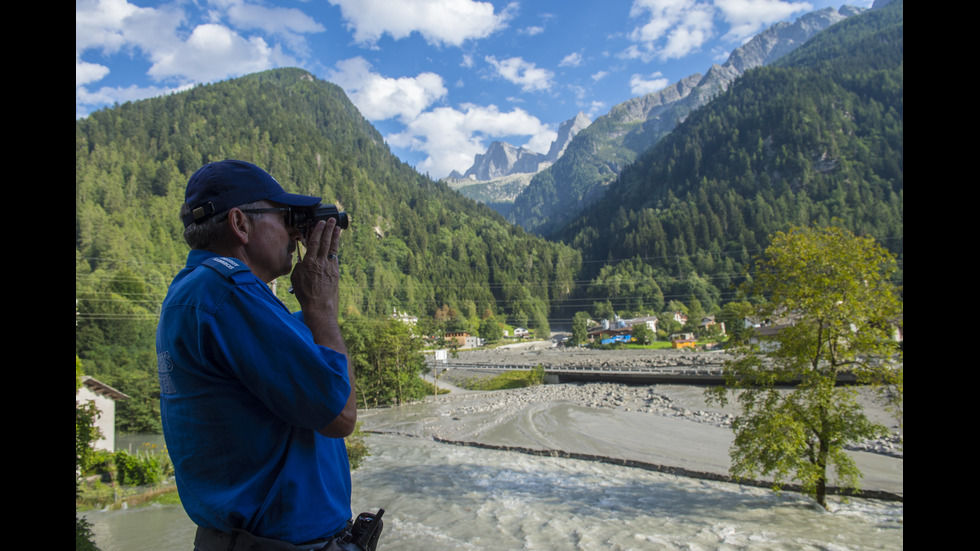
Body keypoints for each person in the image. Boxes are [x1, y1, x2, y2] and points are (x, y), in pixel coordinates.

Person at [156, 160, 358, 550]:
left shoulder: (198, 292)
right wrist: (321, 309)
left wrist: (314, 309)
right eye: (285, 218)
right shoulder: (228, 295)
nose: (296, 231)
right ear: (240, 223)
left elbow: (309, 362)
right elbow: (339, 413)